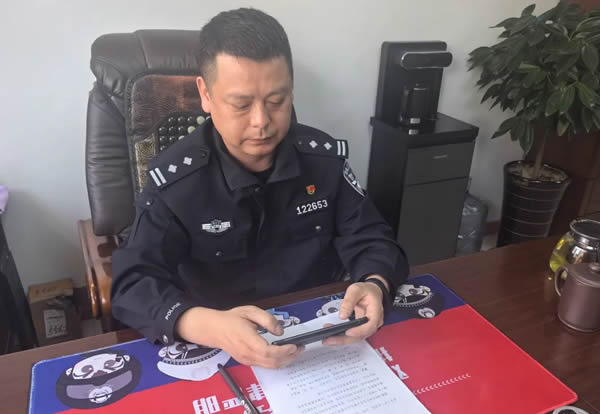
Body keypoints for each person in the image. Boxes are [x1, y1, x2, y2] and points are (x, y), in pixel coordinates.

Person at [111, 7, 408, 369]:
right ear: (205, 94)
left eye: (276, 101)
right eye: (241, 104)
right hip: (220, 343)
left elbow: (373, 238)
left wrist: (376, 283)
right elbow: (132, 283)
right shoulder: (176, 181)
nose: (261, 122)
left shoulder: (323, 161)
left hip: (320, 335)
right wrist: (203, 324)